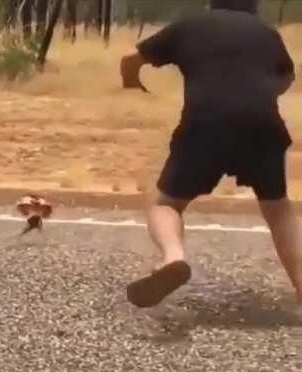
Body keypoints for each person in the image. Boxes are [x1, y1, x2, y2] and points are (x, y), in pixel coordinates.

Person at [121, 0, 302, 309]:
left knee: (167, 203)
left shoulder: (189, 26)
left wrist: (131, 83)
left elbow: (130, 61)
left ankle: (173, 258)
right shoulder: (267, 33)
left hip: (205, 125)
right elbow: (286, 78)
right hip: (262, 126)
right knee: (279, 211)